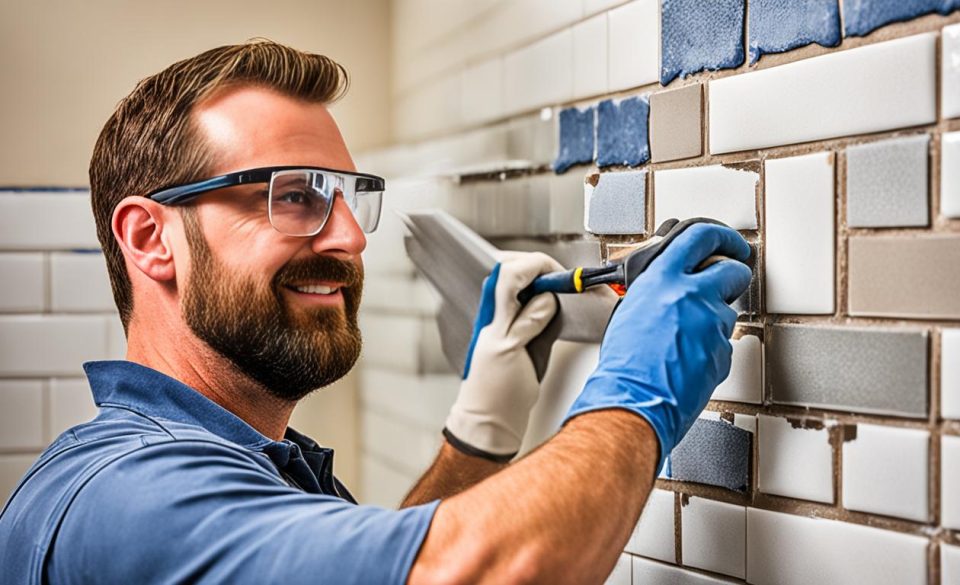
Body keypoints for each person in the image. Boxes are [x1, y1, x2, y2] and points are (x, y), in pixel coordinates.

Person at [0, 41, 751, 584]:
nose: (351, 237)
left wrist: (476, 440)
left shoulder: (244, 465)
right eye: (293, 195)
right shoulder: (130, 494)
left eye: (350, 198)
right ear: (149, 238)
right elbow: (469, 574)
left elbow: (385, 565)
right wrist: (635, 393)